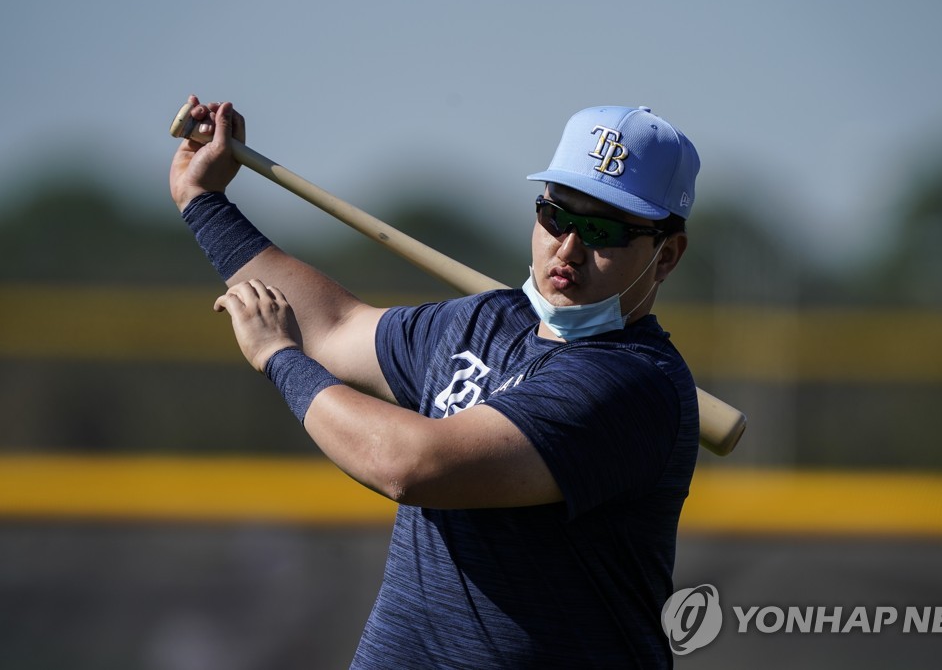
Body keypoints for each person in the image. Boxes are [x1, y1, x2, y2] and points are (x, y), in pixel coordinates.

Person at [169, 96, 701, 668]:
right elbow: (335, 324)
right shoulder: (487, 319)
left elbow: (412, 466)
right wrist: (204, 204)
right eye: (556, 216)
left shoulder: (631, 384)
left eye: (601, 229)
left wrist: (280, 358)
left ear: (665, 255)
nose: (567, 248)